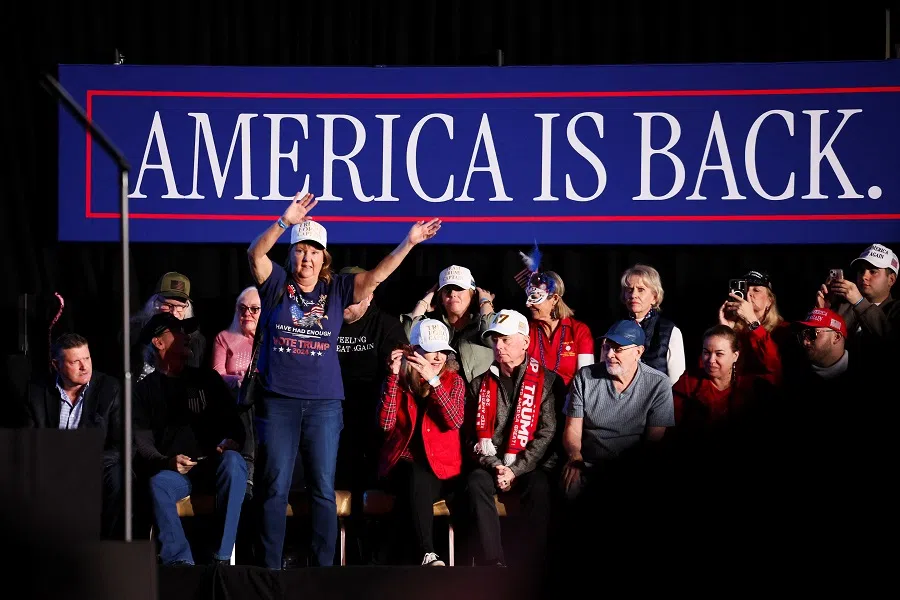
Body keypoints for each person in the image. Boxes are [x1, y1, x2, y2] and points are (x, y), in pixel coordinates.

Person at [247, 192, 440, 569]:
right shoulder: (277, 286)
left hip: (323, 406)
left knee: (322, 489)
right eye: (301, 251)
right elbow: (255, 254)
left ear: (324, 261)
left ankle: (323, 571)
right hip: (279, 402)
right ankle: (269, 570)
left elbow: (378, 275)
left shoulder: (335, 291)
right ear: (291, 256)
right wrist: (284, 221)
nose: (307, 258)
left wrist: (409, 242)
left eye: (314, 252)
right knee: (274, 488)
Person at [133, 313, 249, 566]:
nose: (186, 337)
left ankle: (221, 557)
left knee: (234, 463)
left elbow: (237, 428)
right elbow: (140, 440)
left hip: (213, 465)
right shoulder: (143, 390)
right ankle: (180, 563)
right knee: (158, 484)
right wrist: (166, 462)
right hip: (176, 472)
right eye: (176, 331)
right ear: (158, 343)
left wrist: (231, 441)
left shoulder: (208, 379)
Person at [465, 309, 560, 568]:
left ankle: (533, 563)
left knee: (540, 485)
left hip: (529, 466)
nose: (499, 346)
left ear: (525, 343)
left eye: (506, 339)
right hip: (492, 465)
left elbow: (547, 434)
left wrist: (515, 470)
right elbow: (470, 437)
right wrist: (495, 465)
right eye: (495, 339)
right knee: (475, 482)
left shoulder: (548, 381)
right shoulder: (477, 384)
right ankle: (492, 562)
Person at [377, 319, 465, 567]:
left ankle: (384, 558)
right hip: (401, 465)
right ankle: (427, 553)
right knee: (413, 474)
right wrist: (393, 378)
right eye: (430, 350)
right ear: (413, 351)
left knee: (415, 484)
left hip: (440, 469)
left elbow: (454, 420)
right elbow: (384, 424)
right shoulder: (398, 379)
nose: (437, 357)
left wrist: (434, 383)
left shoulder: (453, 381)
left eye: (442, 351)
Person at [23, 333, 124, 540]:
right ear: (56, 364)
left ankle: (105, 548)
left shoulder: (109, 388)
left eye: (86, 358)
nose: (84, 367)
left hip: (92, 465)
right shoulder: (36, 391)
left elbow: (122, 446)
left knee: (118, 477)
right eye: (75, 361)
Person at [403, 265, 494, 384]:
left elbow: (492, 335)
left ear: (472, 294)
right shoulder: (431, 323)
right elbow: (408, 337)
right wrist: (424, 301)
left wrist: (485, 302)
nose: (452, 294)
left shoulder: (480, 325)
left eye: (459, 288)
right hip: (437, 396)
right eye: (447, 289)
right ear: (439, 296)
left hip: (478, 398)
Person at [620, 264, 686, 385]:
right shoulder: (615, 329)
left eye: (641, 290)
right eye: (629, 290)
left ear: (654, 297)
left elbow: (676, 383)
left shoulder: (670, 331)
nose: (633, 295)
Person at [212, 286, 261, 392]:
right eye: (242, 308)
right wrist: (237, 380)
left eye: (254, 309)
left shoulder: (273, 338)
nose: (247, 313)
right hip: (233, 398)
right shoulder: (224, 337)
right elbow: (217, 375)